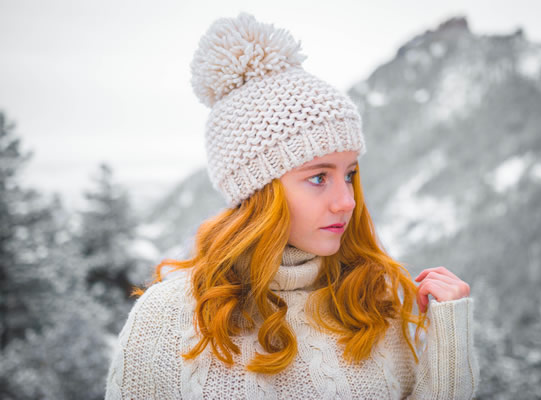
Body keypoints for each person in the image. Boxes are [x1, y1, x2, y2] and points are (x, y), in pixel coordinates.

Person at [105, 12, 479, 399]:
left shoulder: (369, 301)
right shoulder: (168, 318)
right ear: (258, 192)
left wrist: (449, 339)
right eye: (319, 177)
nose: (346, 202)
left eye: (349, 174)